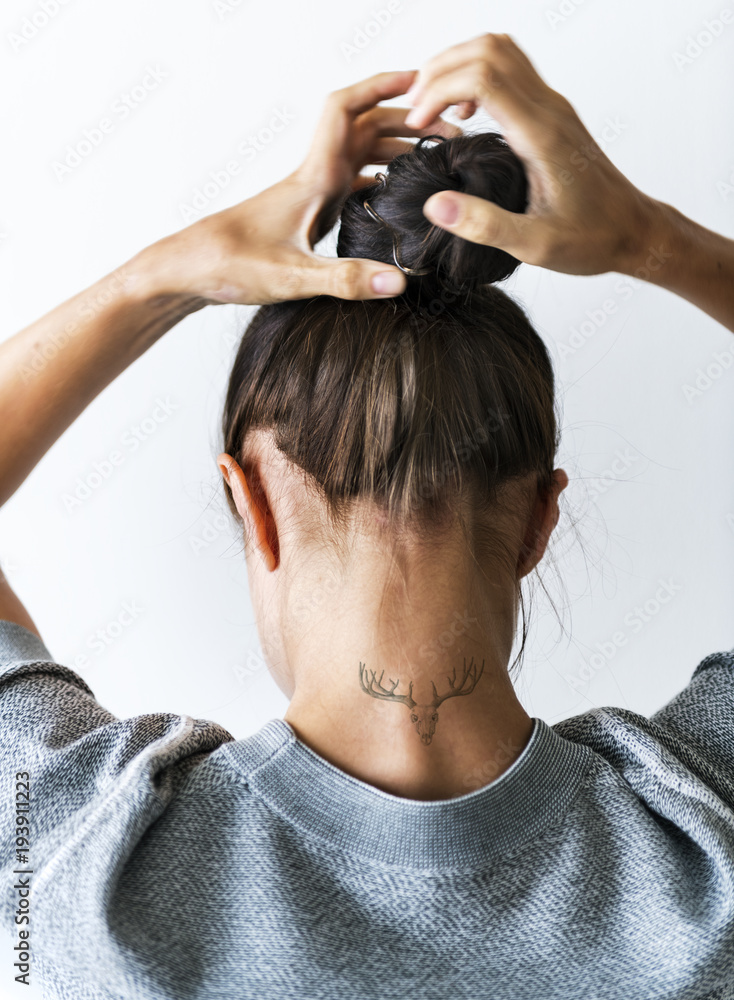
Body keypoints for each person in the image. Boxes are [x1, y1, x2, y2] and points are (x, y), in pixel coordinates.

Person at [1, 31, 733, 1000]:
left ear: (248, 503)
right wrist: (650, 239)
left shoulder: (88, 859)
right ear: (538, 522)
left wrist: (163, 274)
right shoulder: (703, 831)